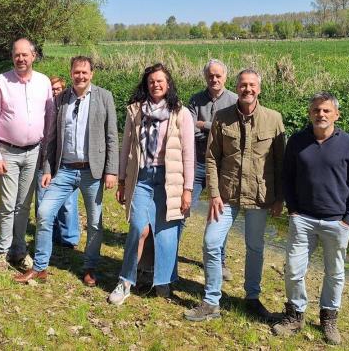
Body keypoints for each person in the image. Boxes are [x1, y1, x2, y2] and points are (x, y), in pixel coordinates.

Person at [184, 69, 285, 322]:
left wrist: (279, 198)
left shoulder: (273, 119)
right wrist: (215, 194)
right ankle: (211, 301)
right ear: (237, 88)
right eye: (243, 85)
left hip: (259, 196)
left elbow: (281, 163)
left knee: (255, 247)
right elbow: (211, 158)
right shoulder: (222, 117)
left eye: (252, 85)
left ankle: (252, 298)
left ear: (259, 89)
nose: (247, 89)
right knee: (211, 242)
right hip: (226, 195)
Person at [271, 92, 349, 345]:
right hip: (303, 219)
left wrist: (348, 219)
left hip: (337, 222)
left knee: (335, 273)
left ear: (336, 114)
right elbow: (287, 177)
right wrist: (293, 210)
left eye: (326, 111)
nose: (321, 115)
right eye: (316, 110)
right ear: (309, 113)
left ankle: (329, 318)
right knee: (293, 269)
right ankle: (294, 315)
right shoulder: (298, 141)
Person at [15, 56, 118, 286]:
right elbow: (51, 138)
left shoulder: (104, 97)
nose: (80, 76)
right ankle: (40, 267)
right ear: (70, 73)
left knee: (94, 222)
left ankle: (90, 267)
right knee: (44, 213)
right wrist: (48, 169)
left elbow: (112, 137)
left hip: (93, 171)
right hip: (64, 170)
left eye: (84, 72)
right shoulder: (61, 99)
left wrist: (111, 171)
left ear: (92, 74)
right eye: (76, 72)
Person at [108, 63, 195, 305]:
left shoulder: (181, 113)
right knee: (138, 228)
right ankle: (125, 281)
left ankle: (163, 282)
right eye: (151, 81)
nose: (156, 85)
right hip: (143, 178)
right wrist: (122, 180)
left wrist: (187, 190)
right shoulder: (136, 111)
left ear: (168, 84)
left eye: (160, 81)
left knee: (167, 234)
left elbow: (189, 154)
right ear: (146, 84)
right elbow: (125, 147)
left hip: (170, 180)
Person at [0, 38, 55, 272]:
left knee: (24, 205)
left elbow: (50, 120)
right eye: (17, 54)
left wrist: (47, 157)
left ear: (34, 56)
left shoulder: (43, 82)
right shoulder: (0, 82)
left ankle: (19, 249)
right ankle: (2, 253)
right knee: (7, 204)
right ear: (12, 56)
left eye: (25, 54)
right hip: (8, 152)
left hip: (34, 152)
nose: (21, 59)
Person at [185, 59, 237, 280]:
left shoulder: (234, 100)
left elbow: (231, 133)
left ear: (225, 77)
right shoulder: (195, 100)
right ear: (205, 77)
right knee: (184, 208)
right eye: (210, 76)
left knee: (219, 214)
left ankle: (220, 260)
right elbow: (188, 129)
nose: (214, 79)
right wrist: (215, 128)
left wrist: (205, 125)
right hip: (197, 162)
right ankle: (170, 251)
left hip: (223, 164)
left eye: (218, 76)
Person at [33, 76, 81, 249]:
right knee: (42, 198)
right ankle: (48, 232)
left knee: (68, 203)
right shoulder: (42, 107)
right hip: (44, 159)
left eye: (57, 89)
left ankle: (68, 236)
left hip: (65, 163)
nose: (54, 92)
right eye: (52, 89)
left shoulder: (68, 107)